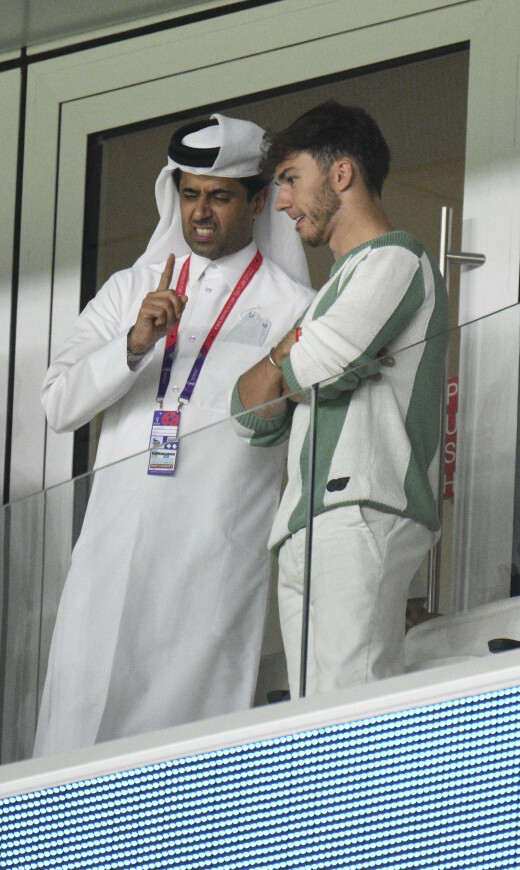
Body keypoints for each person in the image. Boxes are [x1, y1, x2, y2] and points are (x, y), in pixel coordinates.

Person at [33, 113, 314, 756]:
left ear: (258, 201)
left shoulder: (292, 305)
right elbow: (58, 406)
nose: (201, 213)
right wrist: (132, 344)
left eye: (219, 196)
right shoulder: (131, 288)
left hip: (211, 559)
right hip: (110, 552)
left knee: (184, 751)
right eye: (189, 195)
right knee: (78, 732)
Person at [230, 100, 449, 698]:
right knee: (311, 720)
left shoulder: (397, 258)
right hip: (307, 521)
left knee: (352, 712)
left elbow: (313, 371)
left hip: (362, 508)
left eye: (290, 180)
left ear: (342, 174)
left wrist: (293, 363)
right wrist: (289, 357)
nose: (281, 203)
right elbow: (247, 415)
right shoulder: (327, 293)